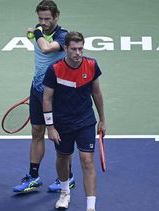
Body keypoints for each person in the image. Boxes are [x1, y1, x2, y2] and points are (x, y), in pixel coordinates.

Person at [13, 0, 75, 193]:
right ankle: (33, 177)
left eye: (47, 18)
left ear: (56, 17)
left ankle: (68, 177)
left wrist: (37, 31)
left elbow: (46, 48)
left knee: (58, 137)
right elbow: (39, 48)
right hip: (37, 90)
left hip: (56, 95)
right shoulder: (38, 34)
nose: (44, 22)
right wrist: (35, 33)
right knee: (37, 132)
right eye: (40, 18)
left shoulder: (63, 36)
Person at [43, 31, 106, 211]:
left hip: (85, 120)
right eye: (74, 49)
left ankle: (91, 207)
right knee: (63, 158)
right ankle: (65, 192)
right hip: (62, 122)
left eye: (80, 49)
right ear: (65, 49)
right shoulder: (54, 69)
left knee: (87, 161)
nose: (78, 53)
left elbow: (97, 93)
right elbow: (47, 98)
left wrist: (102, 119)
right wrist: (50, 127)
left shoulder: (91, 65)